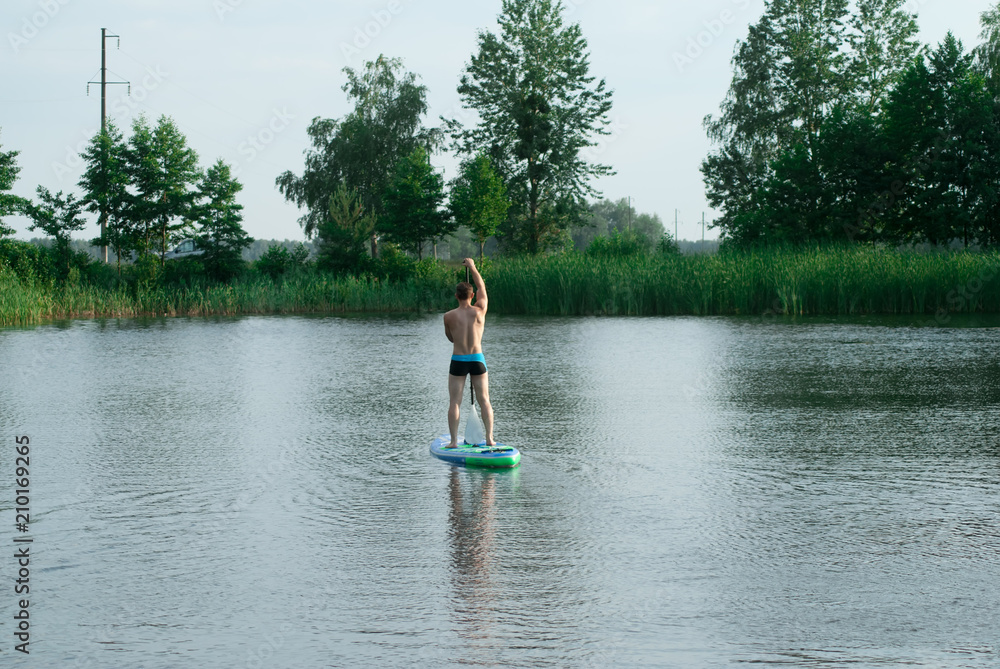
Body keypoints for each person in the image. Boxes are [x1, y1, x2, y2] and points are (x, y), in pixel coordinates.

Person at [444, 258, 495, 448]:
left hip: (458, 360)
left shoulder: (448, 316)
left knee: (455, 403)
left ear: (456, 296)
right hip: (477, 359)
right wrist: (473, 267)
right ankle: (489, 439)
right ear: (472, 295)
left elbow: (451, 338)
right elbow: (481, 286)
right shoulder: (480, 310)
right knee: (484, 401)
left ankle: (453, 442)